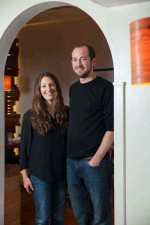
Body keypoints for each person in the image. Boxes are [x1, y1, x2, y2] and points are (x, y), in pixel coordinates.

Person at [67, 44, 114, 225]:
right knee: (81, 216)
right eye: (74, 59)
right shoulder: (73, 89)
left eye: (83, 59)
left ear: (93, 61)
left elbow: (111, 129)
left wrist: (96, 159)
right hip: (71, 163)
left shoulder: (105, 88)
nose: (78, 63)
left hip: (94, 164)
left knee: (101, 217)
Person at [19, 72, 68, 225]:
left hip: (62, 173)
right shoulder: (31, 115)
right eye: (44, 86)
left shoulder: (67, 112)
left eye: (52, 84)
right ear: (39, 90)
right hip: (40, 175)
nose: (48, 89)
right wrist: (25, 176)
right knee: (42, 218)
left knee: (59, 216)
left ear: (57, 87)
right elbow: (24, 146)